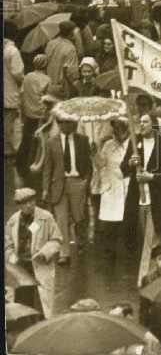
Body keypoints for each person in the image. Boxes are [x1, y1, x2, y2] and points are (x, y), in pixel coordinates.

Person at [41, 112, 93, 265]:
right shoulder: (51, 142)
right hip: (58, 185)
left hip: (77, 182)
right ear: (59, 123)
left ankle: (81, 241)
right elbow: (47, 168)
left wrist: (86, 182)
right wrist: (45, 189)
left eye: (70, 122)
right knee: (61, 219)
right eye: (63, 122)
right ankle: (64, 253)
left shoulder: (83, 140)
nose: (67, 125)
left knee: (79, 217)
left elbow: (88, 165)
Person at [121, 112, 161, 248]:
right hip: (139, 199)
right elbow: (123, 168)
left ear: (154, 125)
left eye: (145, 122)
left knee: (158, 240)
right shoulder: (134, 142)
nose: (141, 124)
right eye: (140, 121)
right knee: (141, 239)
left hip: (159, 199)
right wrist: (130, 162)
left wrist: (152, 177)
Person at [5, 186, 62, 318]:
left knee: (41, 306)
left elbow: (56, 239)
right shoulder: (13, 220)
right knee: (22, 304)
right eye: (25, 203)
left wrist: (44, 253)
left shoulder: (46, 217)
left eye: (32, 201)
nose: (30, 205)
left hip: (39, 266)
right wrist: (11, 256)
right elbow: (7, 243)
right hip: (21, 269)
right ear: (19, 205)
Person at [96, 117, 131, 259]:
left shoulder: (132, 144)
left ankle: (129, 250)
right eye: (115, 128)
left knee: (127, 220)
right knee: (110, 223)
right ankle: (109, 251)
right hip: (111, 188)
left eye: (121, 127)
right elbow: (100, 165)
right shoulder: (108, 145)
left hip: (126, 185)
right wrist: (94, 154)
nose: (118, 131)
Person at [45, 19, 80, 99]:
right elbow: (71, 72)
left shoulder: (50, 43)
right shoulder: (70, 48)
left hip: (48, 84)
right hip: (62, 88)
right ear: (71, 33)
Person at [4, 34, 25, 160]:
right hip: (10, 91)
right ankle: (7, 148)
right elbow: (17, 73)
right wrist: (22, 82)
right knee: (9, 120)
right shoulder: (12, 51)